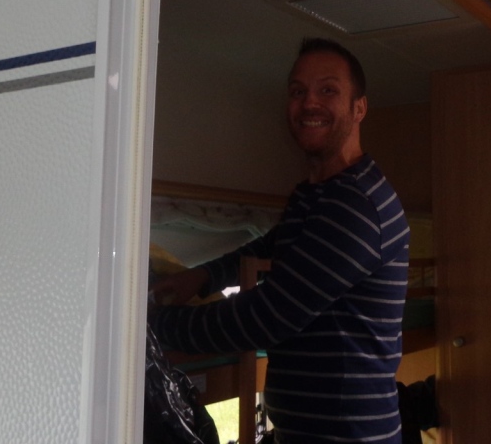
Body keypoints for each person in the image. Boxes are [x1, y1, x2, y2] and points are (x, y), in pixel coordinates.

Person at [151, 38, 411, 443]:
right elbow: (271, 246)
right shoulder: (318, 194)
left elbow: (266, 318)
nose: (309, 103)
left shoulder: (356, 204)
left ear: (359, 108)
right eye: (297, 91)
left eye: (328, 90)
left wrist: (148, 325)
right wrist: (203, 276)